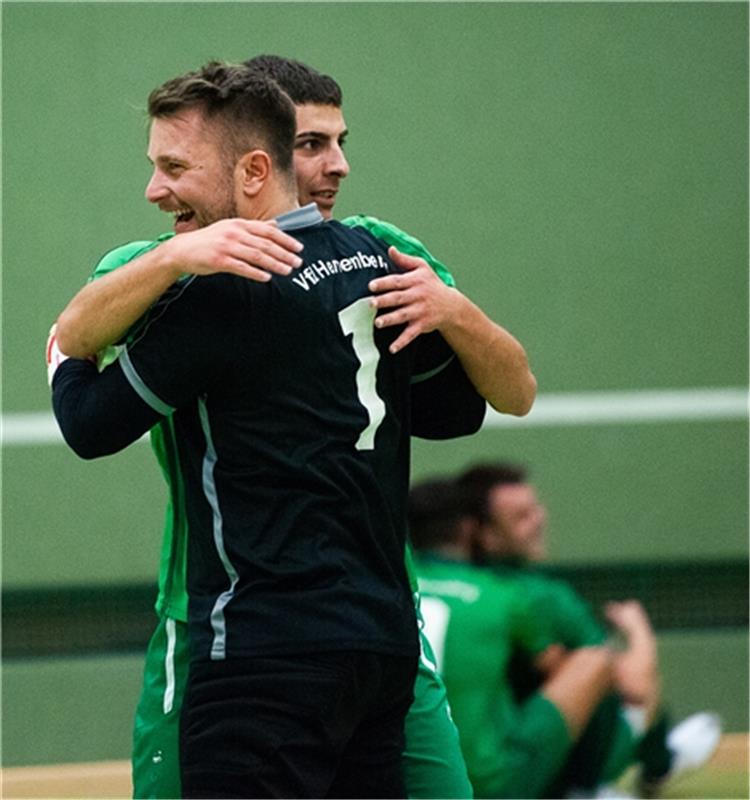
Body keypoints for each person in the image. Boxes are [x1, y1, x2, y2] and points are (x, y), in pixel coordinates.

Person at [49, 55, 536, 799]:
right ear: (264, 159)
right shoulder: (175, 266)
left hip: (293, 632)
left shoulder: (371, 252)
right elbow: (458, 411)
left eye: (339, 142)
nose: (334, 165)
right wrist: (176, 258)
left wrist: (457, 312)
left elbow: (465, 406)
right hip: (296, 626)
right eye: (312, 144)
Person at [453, 462, 723, 798]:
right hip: (516, 763)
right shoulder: (538, 597)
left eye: (536, 509)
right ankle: (644, 770)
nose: (538, 520)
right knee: (618, 674)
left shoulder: (432, 586)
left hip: (444, 760)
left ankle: (658, 762)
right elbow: (635, 684)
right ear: (483, 534)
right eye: (521, 517)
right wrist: (638, 630)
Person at [409, 477, 622, 799]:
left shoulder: (391, 587)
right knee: (593, 665)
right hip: (486, 781)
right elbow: (571, 672)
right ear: (471, 529)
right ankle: (585, 790)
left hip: (402, 778)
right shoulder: (503, 594)